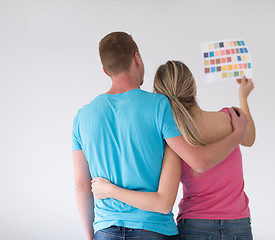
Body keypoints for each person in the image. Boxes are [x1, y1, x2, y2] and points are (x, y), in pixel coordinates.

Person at [72, 33, 248, 240]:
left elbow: (81, 186)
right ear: (137, 58)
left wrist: (90, 235)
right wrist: (238, 133)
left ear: (105, 70)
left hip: (105, 229)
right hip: (154, 228)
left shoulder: (82, 117)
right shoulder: (158, 106)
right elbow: (198, 162)